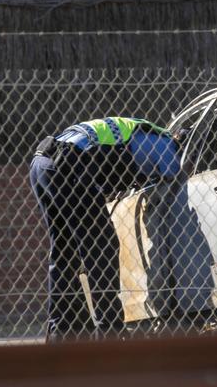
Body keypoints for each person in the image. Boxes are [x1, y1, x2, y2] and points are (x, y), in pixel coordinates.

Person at [29, 117, 182, 341]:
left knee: (64, 251)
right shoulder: (165, 144)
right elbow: (177, 178)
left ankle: (62, 332)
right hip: (70, 164)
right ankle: (110, 332)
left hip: (42, 164)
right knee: (102, 247)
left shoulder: (139, 133)